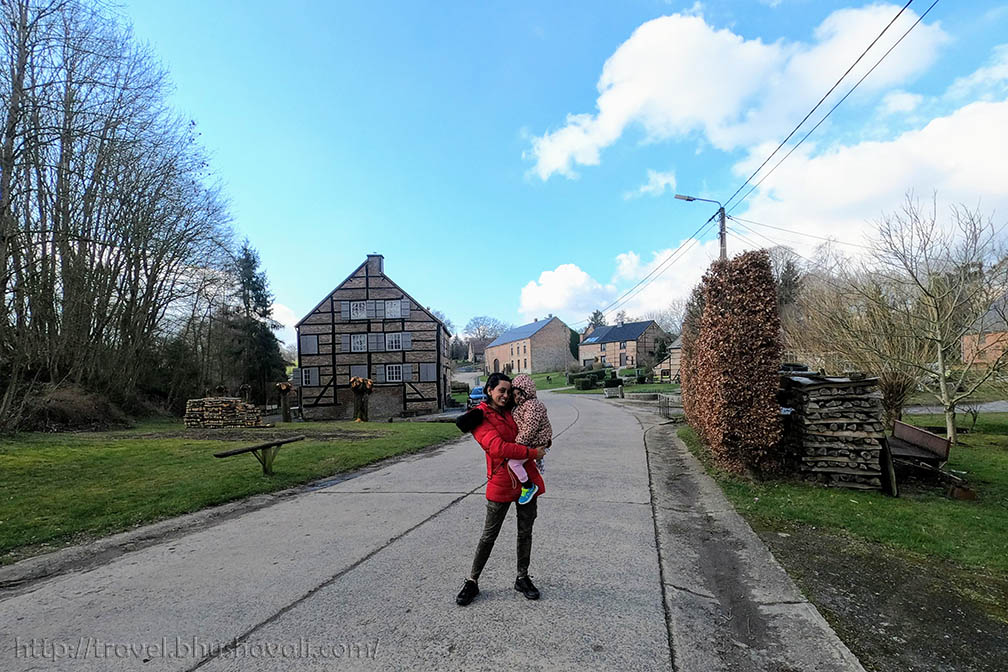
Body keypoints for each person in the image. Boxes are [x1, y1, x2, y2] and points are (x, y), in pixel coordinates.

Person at [453, 372, 547, 606]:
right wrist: (532, 453)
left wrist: (545, 441)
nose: (505, 395)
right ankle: (472, 581)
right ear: (489, 391)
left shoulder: (519, 410)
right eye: (501, 391)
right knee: (488, 536)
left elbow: (538, 429)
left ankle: (522, 577)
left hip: (527, 483)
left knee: (525, 532)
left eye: (508, 391)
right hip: (501, 482)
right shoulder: (480, 417)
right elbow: (498, 448)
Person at [509, 373, 553, 503]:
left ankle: (528, 486)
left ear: (527, 391)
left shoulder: (532, 405)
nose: (517, 397)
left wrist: (518, 444)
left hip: (535, 441)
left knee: (513, 462)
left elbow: (530, 428)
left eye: (519, 393)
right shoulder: (522, 407)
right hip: (533, 441)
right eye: (515, 395)